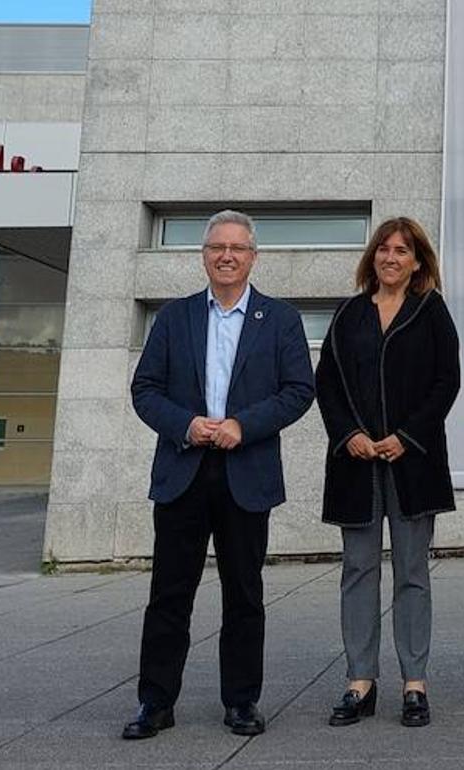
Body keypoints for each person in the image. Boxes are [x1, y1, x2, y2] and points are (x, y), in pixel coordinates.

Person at [123, 210, 315, 739]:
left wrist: (242, 425)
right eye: (216, 247)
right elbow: (145, 391)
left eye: (237, 247)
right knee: (168, 594)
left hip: (244, 473)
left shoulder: (280, 319)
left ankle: (241, 702)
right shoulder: (174, 317)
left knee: (245, 595)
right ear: (204, 255)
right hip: (183, 471)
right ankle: (155, 704)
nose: (226, 255)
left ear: (253, 256)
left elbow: (299, 390)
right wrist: (185, 424)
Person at [315, 217, 460, 728]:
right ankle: (360, 681)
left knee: (412, 573)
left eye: (402, 250)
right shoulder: (349, 313)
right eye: (383, 248)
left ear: (418, 260)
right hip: (356, 465)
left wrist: (407, 436)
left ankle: (414, 683)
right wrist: (348, 433)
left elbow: (448, 382)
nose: (390, 257)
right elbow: (326, 383)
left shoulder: (431, 311)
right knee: (358, 571)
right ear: (372, 257)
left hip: (411, 463)